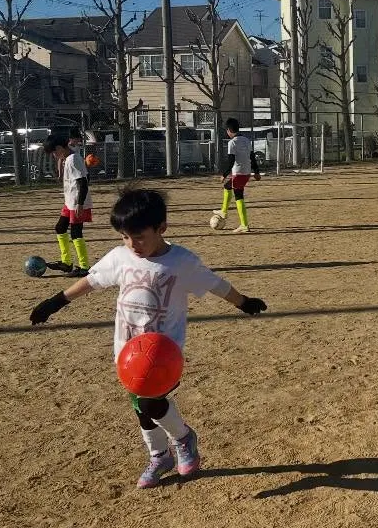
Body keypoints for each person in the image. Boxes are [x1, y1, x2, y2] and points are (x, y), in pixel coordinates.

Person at [30, 187, 268, 489]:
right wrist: (55, 302)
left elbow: (215, 284)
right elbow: (91, 281)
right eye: (125, 237)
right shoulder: (121, 257)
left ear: (161, 228)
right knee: (141, 408)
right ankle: (159, 456)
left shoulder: (180, 261)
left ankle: (183, 437)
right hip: (127, 350)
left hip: (163, 354)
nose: (133, 244)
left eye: (140, 237)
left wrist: (243, 302)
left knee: (151, 403)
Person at [43, 133, 92, 276]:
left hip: (77, 202)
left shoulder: (73, 159)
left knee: (76, 233)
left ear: (59, 148)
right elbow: (86, 176)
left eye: (53, 152)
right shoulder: (68, 158)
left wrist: (80, 204)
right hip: (70, 202)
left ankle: (84, 267)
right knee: (60, 228)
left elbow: (83, 182)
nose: (54, 155)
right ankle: (66, 263)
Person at [215, 118, 260, 234]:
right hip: (246, 173)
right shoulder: (246, 140)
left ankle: (243, 224)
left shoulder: (232, 143)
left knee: (238, 196)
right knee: (228, 187)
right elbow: (252, 157)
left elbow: (231, 161)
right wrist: (256, 171)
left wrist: (224, 174)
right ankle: (224, 212)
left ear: (228, 130)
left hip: (238, 173)